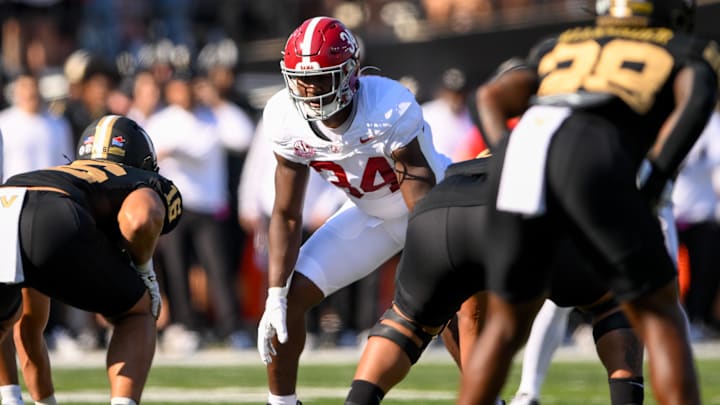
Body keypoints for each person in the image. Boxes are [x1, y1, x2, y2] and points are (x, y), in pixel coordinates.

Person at [463, 0, 719, 403]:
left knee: (505, 324)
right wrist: (654, 181)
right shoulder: (682, 47)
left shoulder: (559, 43)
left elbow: (489, 96)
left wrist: (507, 157)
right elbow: (698, 97)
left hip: (527, 153)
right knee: (661, 315)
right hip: (594, 151)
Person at [343, 153, 653, 405]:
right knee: (613, 306)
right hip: (529, 211)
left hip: (442, 207)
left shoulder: (515, 138)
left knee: (405, 324)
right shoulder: (592, 146)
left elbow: (470, 307)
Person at [256, 16, 449, 405]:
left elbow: (419, 194)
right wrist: (274, 292)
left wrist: (435, 268)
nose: (309, 89)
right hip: (369, 215)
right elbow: (287, 214)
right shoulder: (283, 117)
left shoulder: (386, 105)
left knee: (452, 307)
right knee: (286, 302)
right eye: (300, 78)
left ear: (349, 73)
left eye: (321, 77)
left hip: (432, 213)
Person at [0, 114, 183, 405]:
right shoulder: (141, 178)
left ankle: (12, 398)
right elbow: (141, 218)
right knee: (136, 312)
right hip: (55, 216)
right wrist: (145, 273)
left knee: (6, 321)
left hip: (5, 199)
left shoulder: (52, 173)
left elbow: (30, 326)